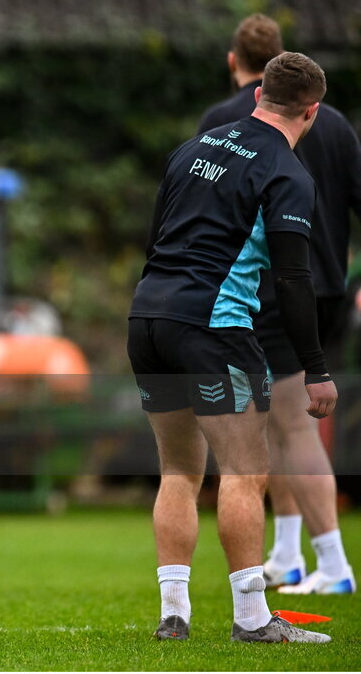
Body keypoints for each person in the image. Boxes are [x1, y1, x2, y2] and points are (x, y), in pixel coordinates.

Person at [129, 52, 337, 643]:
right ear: (312, 111)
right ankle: (251, 618)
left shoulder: (192, 148)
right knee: (246, 473)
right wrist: (316, 369)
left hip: (147, 316)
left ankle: (175, 614)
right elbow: (294, 282)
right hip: (214, 327)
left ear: (257, 96)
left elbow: (155, 240)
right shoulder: (288, 173)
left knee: (178, 470)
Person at [198, 14, 359, 595]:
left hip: (272, 293)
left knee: (288, 427)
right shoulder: (336, 122)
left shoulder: (224, 124)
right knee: (285, 426)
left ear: (236, 64)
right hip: (330, 290)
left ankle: (334, 564)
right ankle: (289, 554)